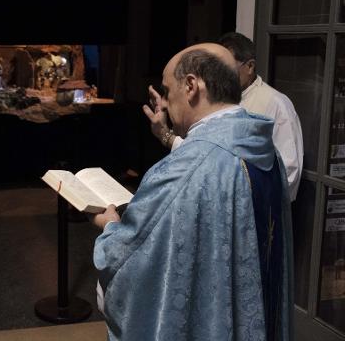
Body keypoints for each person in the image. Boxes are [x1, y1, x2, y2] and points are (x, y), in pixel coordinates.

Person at [92, 43, 293, 340]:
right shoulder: (263, 148)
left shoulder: (182, 170)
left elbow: (129, 258)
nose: (166, 103)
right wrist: (166, 133)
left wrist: (109, 225)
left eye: (168, 90)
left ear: (191, 86)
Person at [145, 32, 303, 200]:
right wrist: (165, 133)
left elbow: (288, 173)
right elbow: (203, 153)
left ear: (250, 67)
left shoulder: (276, 103)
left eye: (230, 68)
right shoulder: (216, 104)